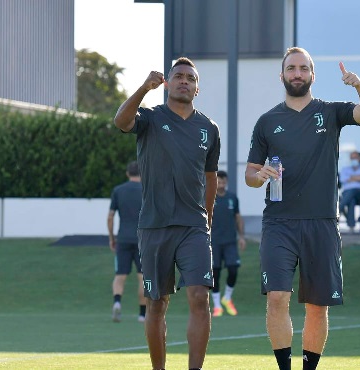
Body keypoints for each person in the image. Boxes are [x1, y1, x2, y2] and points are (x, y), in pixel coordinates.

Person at [245, 47, 360, 370]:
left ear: (312, 75)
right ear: (282, 75)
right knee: (277, 297)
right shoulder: (267, 121)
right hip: (279, 222)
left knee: (318, 306)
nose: (297, 73)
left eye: (303, 68)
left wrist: (359, 86)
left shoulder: (331, 112)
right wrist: (259, 175)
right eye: (291, 68)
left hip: (322, 223)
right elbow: (250, 175)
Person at [113, 57, 221, 370]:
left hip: (194, 226)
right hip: (154, 225)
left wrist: (208, 218)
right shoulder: (149, 117)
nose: (184, 81)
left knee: (199, 296)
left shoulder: (209, 128)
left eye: (190, 78)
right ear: (167, 83)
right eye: (178, 76)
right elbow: (121, 121)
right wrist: (143, 88)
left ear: (197, 88)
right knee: (156, 303)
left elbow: (211, 177)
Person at [107, 160, 147, 323]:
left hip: (123, 238)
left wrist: (112, 238)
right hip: (143, 239)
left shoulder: (118, 190)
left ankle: (117, 302)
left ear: (127, 173)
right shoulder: (147, 190)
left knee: (120, 275)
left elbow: (110, 217)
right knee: (142, 277)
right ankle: (142, 314)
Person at [211, 170, 246, 317]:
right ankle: (217, 305)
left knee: (233, 269)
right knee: (216, 273)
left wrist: (242, 236)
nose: (221, 184)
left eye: (224, 181)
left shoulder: (232, 198)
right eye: (219, 181)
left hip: (230, 241)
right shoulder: (209, 198)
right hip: (213, 242)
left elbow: (238, 217)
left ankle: (227, 298)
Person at [338, 151, 360, 232]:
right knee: (351, 200)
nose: (353, 160)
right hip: (347, 193)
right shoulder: (345, 169)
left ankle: (338, 209)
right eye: (352, 158)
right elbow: (342, 180)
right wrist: (357, 177)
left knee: (352, 192)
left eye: (355, 158)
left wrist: (350, 178)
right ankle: (351, 226)